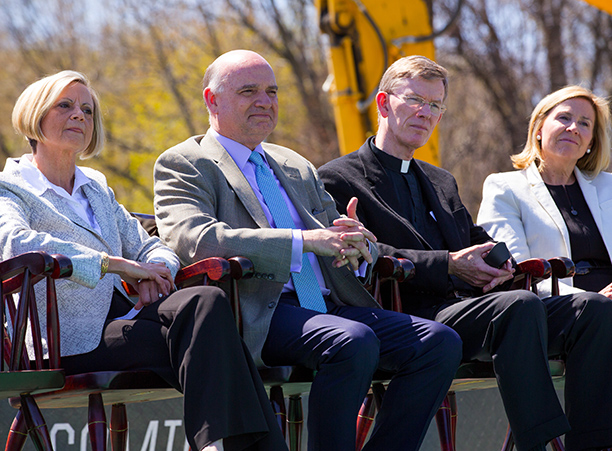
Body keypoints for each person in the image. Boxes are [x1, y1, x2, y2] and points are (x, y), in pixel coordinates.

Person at [154, 49, 462, 451]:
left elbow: (336, 237)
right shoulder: (186, 162)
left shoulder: (295, 164)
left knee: (439, 342)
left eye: (272, 91)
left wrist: (357, 241)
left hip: (330, 302)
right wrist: (303, 242)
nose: (265, 101)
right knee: (352, 340)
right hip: (259, 308)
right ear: (212, 100)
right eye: (249, 91)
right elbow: (193, 239)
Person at [319, 56, 612, 451]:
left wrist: (498, 263)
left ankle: (593, 444)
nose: (427, 113)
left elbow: (478, 239)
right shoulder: (340, 177)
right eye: (416, 101)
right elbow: (364, 253)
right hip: (404, 314)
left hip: (463, 308)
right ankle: (538, 443)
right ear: (384, 104)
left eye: (436, 105)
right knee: (518, 305)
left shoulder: (440, 180)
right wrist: (449, 265)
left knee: (592, 310)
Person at [0, 70, 289, 451]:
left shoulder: (95, 188)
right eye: (66, 106)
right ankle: (226, 445)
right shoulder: (12, 188)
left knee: (205, 302)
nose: (80, 116)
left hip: (122, 323)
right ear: (35, 116)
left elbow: (152, 246)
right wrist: (115, 265)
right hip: (62, 341)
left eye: (87, 110)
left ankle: (212, 446)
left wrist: (158, 272)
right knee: (216, 346)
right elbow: (16, 242)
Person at [477, 86, 612, 299]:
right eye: (564, 118)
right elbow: (515, 274)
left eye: (584, 123)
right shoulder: (505, 189)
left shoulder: (609, 187)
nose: (573, 128)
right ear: (539, 129)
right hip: (558, 310)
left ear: (591, 142)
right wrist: (593, 299)